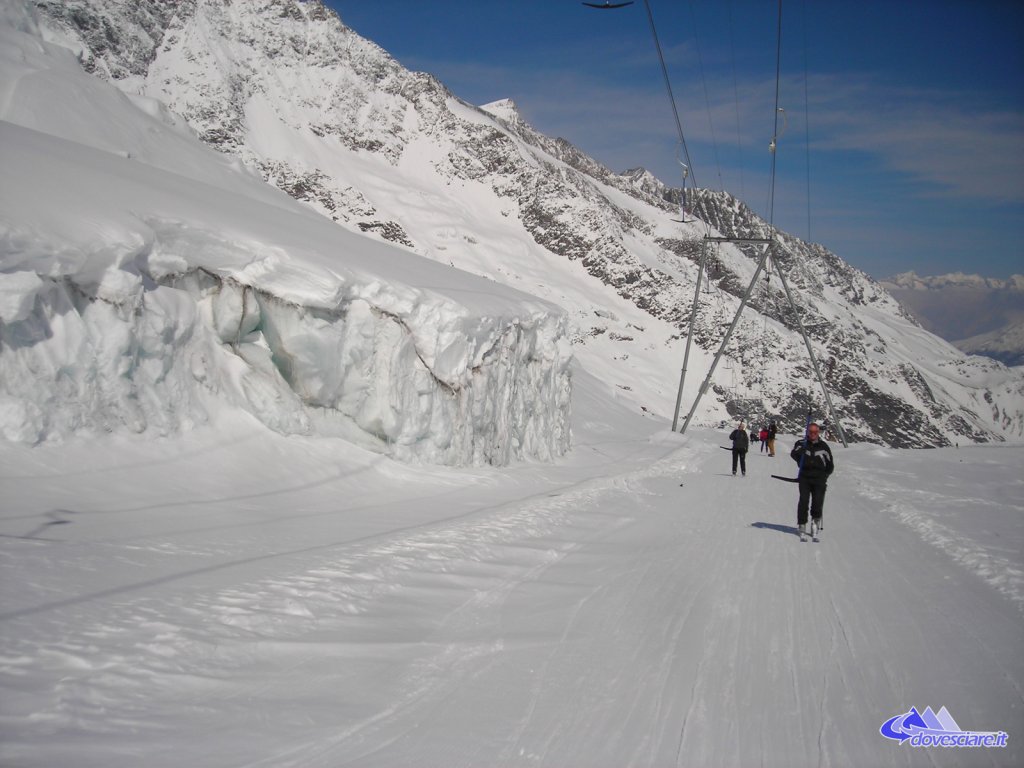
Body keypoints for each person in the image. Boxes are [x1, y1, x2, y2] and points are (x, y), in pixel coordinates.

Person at [790, 422, 834, 540]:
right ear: (807, 432)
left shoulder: (824, 446)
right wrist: (800, 450)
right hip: (805, 477)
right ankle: (802, 524)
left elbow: (830, 464)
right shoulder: (801, 444)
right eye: (811, 432)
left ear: (818, 433)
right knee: (803, 501)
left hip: (819, 479)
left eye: (815, 432)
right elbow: (793, 454)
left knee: (817, 502)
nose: (813, 434)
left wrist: (825, 476)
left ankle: (815, 523)